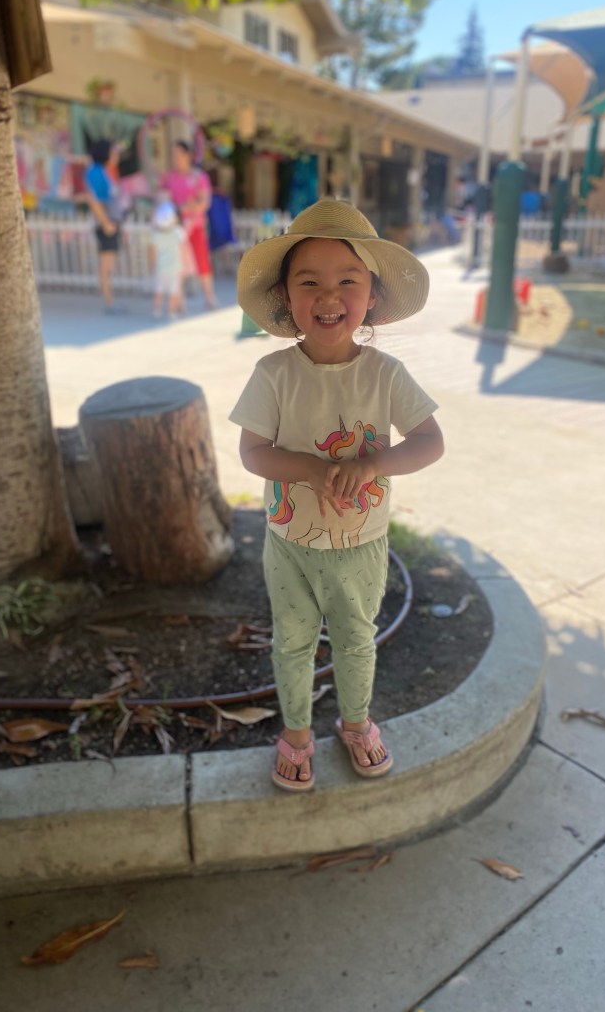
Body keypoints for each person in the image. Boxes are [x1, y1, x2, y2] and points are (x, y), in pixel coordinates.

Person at [229, 198, 445, 792]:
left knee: (355, 641)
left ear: (372, 295)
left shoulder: (385, 374)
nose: (329, 296)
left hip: (361, 544)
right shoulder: (273, 374)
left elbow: (430, 442)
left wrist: (374, 464)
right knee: (292, 643)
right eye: (310, 282)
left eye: (347, 280)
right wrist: (305, 467)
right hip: (289, 543)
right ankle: (297, 733)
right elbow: (253, 453)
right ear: (286, 297)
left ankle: (356, 724)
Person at [160, 140, 218, 309]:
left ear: (189, 155)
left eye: (179, 154)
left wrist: (190, 207)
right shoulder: (168, 177)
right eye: (173, 154)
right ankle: (178, 301)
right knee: (175, 264)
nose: (175, 158)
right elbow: (162, 199)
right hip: (174, 227)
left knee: (202, 261)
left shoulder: (199, 177)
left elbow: (205, 202)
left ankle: (209, 297)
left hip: (195, 226)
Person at [84, 139, 127, 314]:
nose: (116, 155)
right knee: (106, 266)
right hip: (106, 224)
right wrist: (106, 223)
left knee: (109, 265)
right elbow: (93, 199)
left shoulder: (104, 171)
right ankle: (109, 302)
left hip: (111, 222)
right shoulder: (95, 172)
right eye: (113, 152)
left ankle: (110, 300)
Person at [149, 195, 187, 320]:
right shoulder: (178, 233)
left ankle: (156, 310)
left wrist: (152, 265)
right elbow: (182, 249)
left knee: (158, 291)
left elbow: (152, 253)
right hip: (175, 268)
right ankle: (171, 312)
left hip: (160, 268)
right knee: (173, 292)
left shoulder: (155, 235)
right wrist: (184, 264)